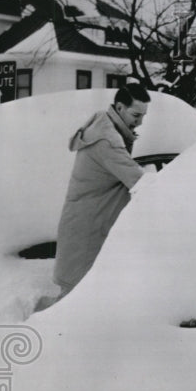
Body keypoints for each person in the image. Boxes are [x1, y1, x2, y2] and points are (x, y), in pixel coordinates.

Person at [53, 83, 155, 295]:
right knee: (76, 298)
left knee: (81, 295)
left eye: (144, 116)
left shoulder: (105, 125)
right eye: (136, 115)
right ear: (119, 108)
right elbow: (138, 181)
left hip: (88, 221)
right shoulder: (107, 141)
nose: (140, 122)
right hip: (88, 228)